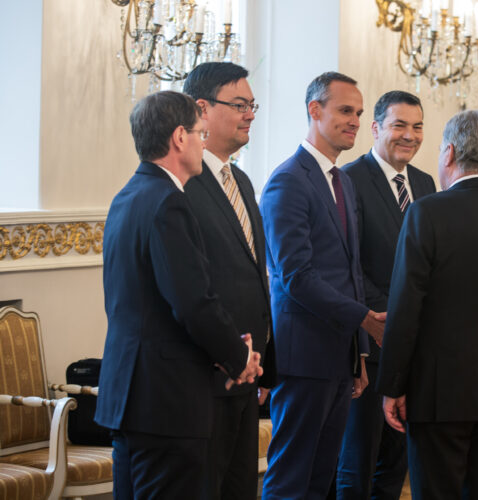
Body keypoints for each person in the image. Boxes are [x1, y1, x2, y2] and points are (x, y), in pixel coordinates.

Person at [95, 90, 263, 499]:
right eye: (201, 133)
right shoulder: (170, 202)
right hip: (168, 399)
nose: (204, 143)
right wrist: (239, 356)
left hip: (131, 394)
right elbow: (191, 301)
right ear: (179, 138)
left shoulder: (128, 196)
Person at [376, 110, 478, 500]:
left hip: (438, 390)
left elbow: (405, 306)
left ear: (448, 154)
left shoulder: (426, 211)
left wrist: (393, 385)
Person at [259, 71, 386, 500]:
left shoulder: (342, 180)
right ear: (315, 111)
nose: (354, 121)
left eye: (359, 113)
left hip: (339, 356)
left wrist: (359, 354)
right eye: (345, 111)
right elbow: (296, 277)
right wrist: (366, 320)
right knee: (291, 477)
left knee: (322, 479)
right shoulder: (288, 180)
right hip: (302, 356)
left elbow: (350, 273)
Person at [336, 90, 435, 499]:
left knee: (396, 463)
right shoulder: (349, 180)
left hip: (415, 351)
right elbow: (350, 264)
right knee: (357, 462)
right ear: (376, 128)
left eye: (417, 127)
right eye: (399, 125)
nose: (409, 136)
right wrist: (390, 317)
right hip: (370, 343)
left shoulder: (427, 184)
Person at [182, 62, 275, 500]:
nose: (250, 114)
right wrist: (233, 356)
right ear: (202, 109)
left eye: (251, 105)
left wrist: (261, 365)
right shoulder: (184, 184)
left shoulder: (240, 180)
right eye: (239, 105)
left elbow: (255, 275)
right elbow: (196, 286)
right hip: (207, 374)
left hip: (247, 373)